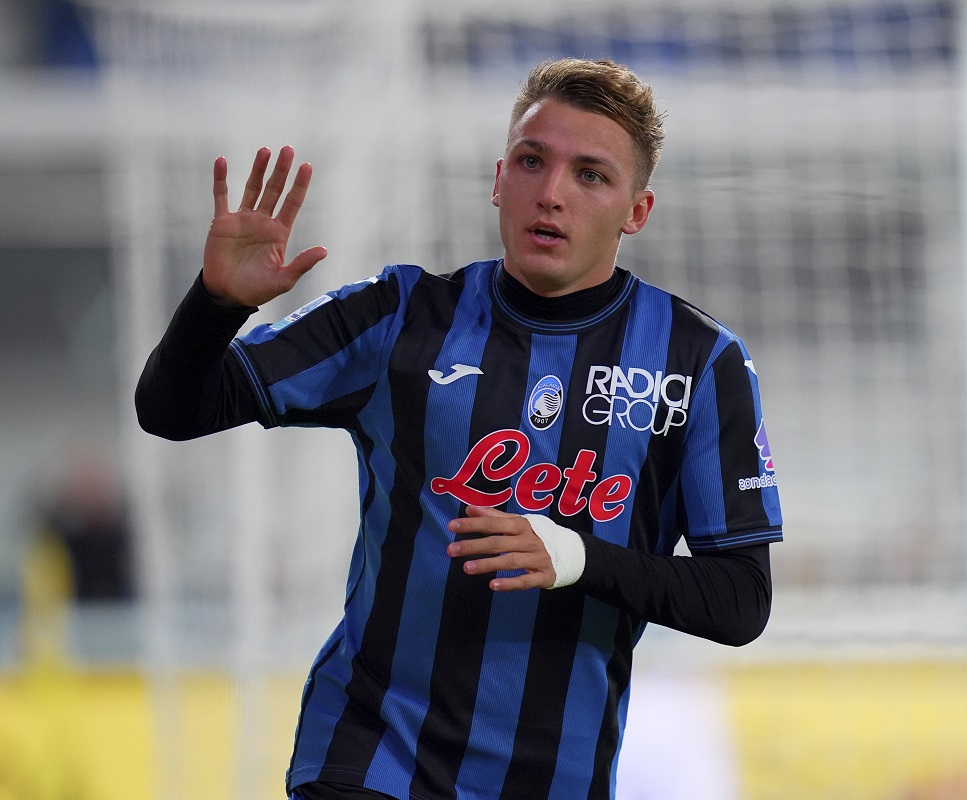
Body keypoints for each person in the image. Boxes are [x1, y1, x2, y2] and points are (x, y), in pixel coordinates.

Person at [136, 58, 783, 800]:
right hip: (370, 754)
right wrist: (215, 307)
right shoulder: (397, 316)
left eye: (591, 176)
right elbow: (173, 411)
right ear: (499, 179)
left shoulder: (699, 363)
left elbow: (741, 603)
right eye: (532, 162)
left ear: (636, 211)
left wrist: (576, 556)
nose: (551, 194)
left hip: (551, 780)